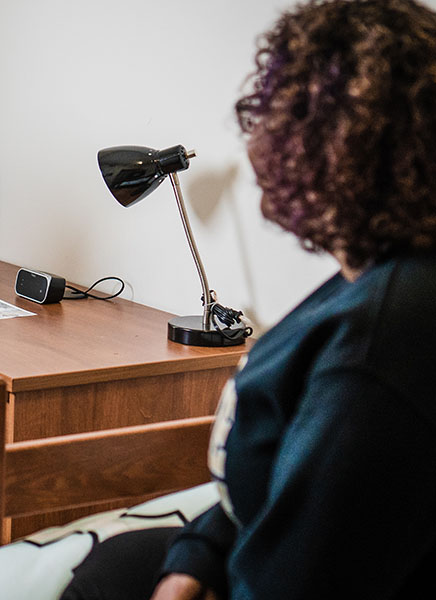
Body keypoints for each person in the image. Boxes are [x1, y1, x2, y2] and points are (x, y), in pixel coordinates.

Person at [61, 0, 436, 598]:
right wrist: (197, 560)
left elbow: (298, 571)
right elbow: (268, 496)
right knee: (121, 561)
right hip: (235, 543)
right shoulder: (374, 273)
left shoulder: (374, 350)